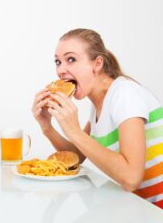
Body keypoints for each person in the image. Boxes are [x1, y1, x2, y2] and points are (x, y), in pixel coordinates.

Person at [32, 28, 163, 208]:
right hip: (139, 209)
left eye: (71, 59)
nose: (61, 70)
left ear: (97, 63)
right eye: (58, 62)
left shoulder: (125, 95)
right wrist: (47, 126)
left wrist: (75, 132)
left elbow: (131, 178)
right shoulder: (99, 104)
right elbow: (76, 157)